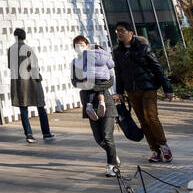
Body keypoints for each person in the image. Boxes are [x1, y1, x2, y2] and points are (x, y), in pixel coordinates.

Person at [113, 22, 175, 163]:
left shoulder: (143, 48)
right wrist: (119, 92)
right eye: (117, 31)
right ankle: (155, 150)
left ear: (131, 33)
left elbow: (158, 69)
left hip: (148, 88)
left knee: (151, 117)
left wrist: (168, 89)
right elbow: (119, 72)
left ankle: (164, 146)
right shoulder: (117, 52)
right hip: (131, 90)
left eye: (122, 31)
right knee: (143, 121)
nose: (119, 33)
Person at [71, 35, 120, 176]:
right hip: (89, 104)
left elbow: (110, 81)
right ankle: (113, 156)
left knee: (107, 135)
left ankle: (112, 166)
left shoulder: (99, 58)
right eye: (76, 45)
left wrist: (92, 86)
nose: (79, 47)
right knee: (98, 138)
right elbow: (74, 82)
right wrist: (84, 84)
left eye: (81, 44)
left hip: (106, 103)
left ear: (87, 44)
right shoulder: (75, 63)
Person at [8, 28, 55, 143]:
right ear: (24, 36)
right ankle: (46, 133)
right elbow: (34, 66)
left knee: (23, 108)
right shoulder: (28, 49)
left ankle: (29, 135)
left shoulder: (10, 50)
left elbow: (10, 66)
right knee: (40, 107)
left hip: (18, 83)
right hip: (31, 82)